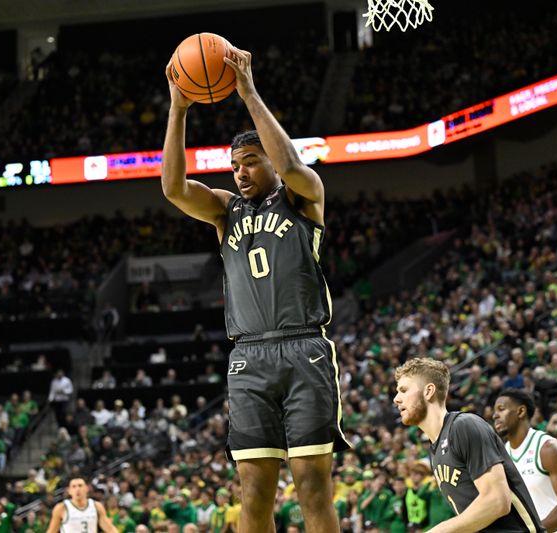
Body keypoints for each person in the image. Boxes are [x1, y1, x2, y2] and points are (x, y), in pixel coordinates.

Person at [160, 46, 349, 533]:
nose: (239, 172)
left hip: (304, 348)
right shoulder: (225, 211)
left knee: (311, 483)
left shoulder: (303, 196)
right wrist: (179, 107)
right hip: (248, 358)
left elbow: (289, 167)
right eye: (234, 165)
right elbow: (175, 188)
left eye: (249, 161)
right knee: (253, 491)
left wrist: (247, 90)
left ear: (268, 155)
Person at [393, 357, 545, 532]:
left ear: (428, 391)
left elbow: (497, 501)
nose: (396, 398)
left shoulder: (463, 426)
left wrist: (439, 530)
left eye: (403, 390)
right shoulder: (434, 449)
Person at [493, 389, 557, 533]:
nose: (495, 415)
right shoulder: (503, 454)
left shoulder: (548, 448)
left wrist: (534, 531)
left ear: (521, 412)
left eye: (501, 409)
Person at [45, 477, 117, 533]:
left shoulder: (96, 506)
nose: (77, 489)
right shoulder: (62, 508)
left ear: (86, 488)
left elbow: (110, 529)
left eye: (80, 485)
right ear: (69, 491)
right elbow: (52, 531)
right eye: (74, 486)